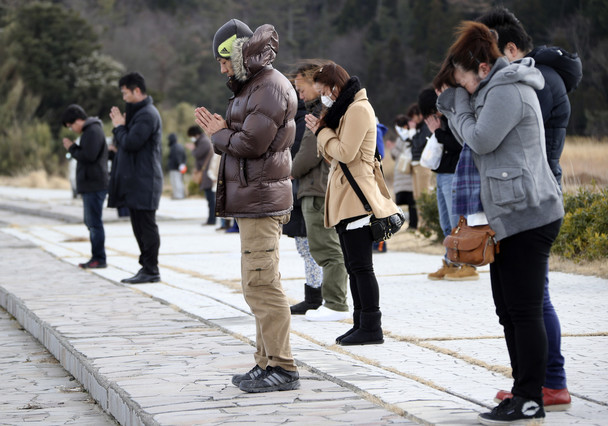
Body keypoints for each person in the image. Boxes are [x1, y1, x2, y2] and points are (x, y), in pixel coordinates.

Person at [434, 21, 564, 425]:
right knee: (508, 310)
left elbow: (482, 138)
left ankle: (530, 399)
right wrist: (460, 104)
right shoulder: (491, 89)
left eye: (465, 82)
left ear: (483, 69)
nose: (465, 91)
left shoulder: (508, 89)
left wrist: (455, 107)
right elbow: (473, 131)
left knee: (523, 310)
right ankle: (522, 391)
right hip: (507, 215)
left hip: (529, 213)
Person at [478, 7, 582, 411]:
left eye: (490, 56)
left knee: (533, 301)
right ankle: (539, 383)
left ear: (511, 48)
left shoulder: (532, 82)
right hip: (532, 190)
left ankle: (548, 383)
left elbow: (495, 136)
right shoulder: (538, 77)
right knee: (530, 300)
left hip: (532, 196)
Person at [194, 18, 300, 393]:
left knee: (262, 284)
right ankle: (266, 360)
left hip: (261, 199)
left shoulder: (269, 87)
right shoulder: (254, 85)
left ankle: (284, 367)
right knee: (257, 283)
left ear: (236, 54)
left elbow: (251, 145)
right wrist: (224, 131)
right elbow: (243, 138)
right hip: (254, 198)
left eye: (223, 61)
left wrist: (218, 133)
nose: (221, 68)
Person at [305, 63, 400, 346]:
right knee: (354, 264)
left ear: (335, 87)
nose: (324, 98)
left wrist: (322, 132)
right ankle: (361, 322)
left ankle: (371, 325)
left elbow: (344, 153)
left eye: (324, 92)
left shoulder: (358, 109)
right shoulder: (348, 109)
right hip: (348, 198)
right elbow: (336, 155)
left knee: (361, 266)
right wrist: (323, 131)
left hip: (358, 199)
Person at [290, 62, 350, 322]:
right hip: (315, 186)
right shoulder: (319, 110)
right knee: (320, 246)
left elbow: (308, 153)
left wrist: (290, 171)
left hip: (318, 187)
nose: (300, 95)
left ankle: (335, 303)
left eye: (301, 89)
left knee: (326, 248)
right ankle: (330, 300)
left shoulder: (322, 113)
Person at [109, 72, 163, 284]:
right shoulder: (137, 114)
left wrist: (119, 127)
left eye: (125, 93)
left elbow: (131, 142)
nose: (123, 98)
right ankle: (145, 267)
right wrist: (121, 127)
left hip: (145, 180)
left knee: (146, 226)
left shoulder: (147, 114)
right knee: (138, 225)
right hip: (136, 180)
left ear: (137, 91)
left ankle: (151, 269)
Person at [418, 88, 478, 281]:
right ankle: (451, 261)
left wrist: (437, 133)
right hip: (442, 175)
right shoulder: (441, 121)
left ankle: (468, 264)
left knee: (457, 223)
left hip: (454, 175)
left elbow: (458, 144)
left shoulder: (454, 117)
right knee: (446, 224)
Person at [284, 92, 325, 315]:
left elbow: (301, 154)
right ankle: (315, 293)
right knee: (307, 246)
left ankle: (315, 295)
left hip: (303, 189)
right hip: (302, 189)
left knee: (309, 247)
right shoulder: (300, 117)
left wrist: (290, 171)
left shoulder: (302, 119)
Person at [61, 104, 109, 269]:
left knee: (94, 224)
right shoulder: (89, 131)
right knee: (91, 223)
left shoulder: (92, 131)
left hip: (95, 185)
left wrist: (71, 147)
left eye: (71, 125)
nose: (72, 129)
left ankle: (99, 258)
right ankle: (97, 256)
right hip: (91, 185)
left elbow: (88, 156)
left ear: (78, 120)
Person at [389, 109, 419, 230]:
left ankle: (405, 225)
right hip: (405, 176)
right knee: (411, 203)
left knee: (408, 203)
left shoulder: (404, 138)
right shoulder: (409, 135)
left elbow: (400, 154)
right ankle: (411, 224)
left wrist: (392, 148)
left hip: (404, 174)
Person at [186, 125, 217, 225]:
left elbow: (197, 154)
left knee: (210, 199)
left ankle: (212, 220)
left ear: (195, 134)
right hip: (206, 173)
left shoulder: (203, 142)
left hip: (207, 173)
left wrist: (193, 149)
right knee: (210, 198)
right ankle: (211, 219)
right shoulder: (202, 141)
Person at [167, 133, 186, 199]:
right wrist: (182, 165)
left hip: (174, 168)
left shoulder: (173, 147)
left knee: (175, 182)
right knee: (180, 181)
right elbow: (184, 156)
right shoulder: (180, 146)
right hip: (181, 167)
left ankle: (178, 196)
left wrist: (178, 164)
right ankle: (181, 195)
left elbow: (176, 157)